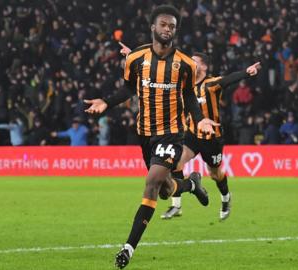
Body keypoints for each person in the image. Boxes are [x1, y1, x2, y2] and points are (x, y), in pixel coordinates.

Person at [83, 5, 218, 269]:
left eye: (172, 26)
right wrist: (106, 103)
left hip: (171, 134)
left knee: (152, 182)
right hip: (145, 133)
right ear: (153, 27)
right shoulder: (135, 58)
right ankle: (192, 184)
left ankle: (128, 248)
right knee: (166, 189)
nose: (168, 29)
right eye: (164, 25)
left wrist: (200, 118)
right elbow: (128, 89)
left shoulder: (186, 64)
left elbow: (190, 96)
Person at [159, 52, 261, 220]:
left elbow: (228, 79)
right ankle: (176, 206)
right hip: (191, 134)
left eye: (194, 62)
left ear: (204, 66)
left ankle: (226, 198)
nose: (190, 64)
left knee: (215, 174)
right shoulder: (185, 85)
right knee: (175, 163)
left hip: (212, 138)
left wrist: (246, 72)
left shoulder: (211, 84)